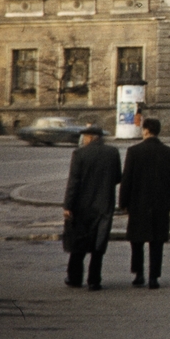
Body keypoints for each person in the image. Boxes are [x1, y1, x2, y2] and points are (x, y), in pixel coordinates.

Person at [119, 116, 170, 289]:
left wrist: (123, 202)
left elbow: (127, 180)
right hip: (160, 204)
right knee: (157, 241)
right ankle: (154, 277)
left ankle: (138, 274)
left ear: (145, 130)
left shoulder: (134, 151)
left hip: (138, 203)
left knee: (137, 241)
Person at [63, 124, 121, 291]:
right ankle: (94, 280)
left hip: (82, 206)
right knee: (99, 243)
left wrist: (68, 205)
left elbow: (73, 182)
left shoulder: (79, 154)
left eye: (84, 136)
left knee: (79, 242)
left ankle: (75, 278)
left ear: (89, 137)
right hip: (104, 205)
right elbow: (117, 177)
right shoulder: (112, 152)